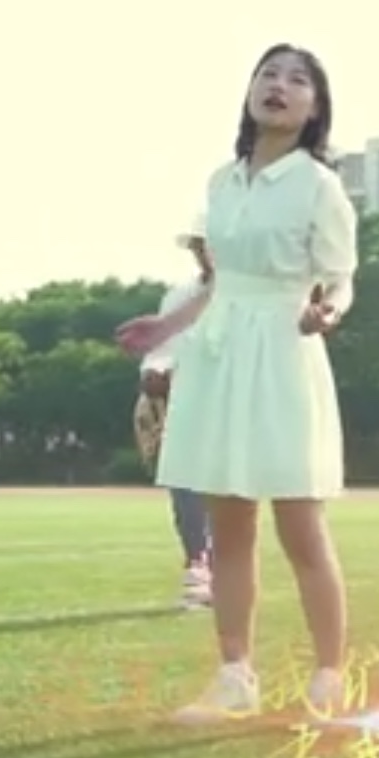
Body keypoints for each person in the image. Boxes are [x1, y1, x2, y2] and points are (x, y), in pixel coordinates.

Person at [115, 43, 359, 724]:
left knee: (300, 523)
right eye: (268, 75)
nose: (278, 86)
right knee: (229, 524)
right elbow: (218, 283)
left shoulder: (319, 186)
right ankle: (234, 676)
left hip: (283, 348)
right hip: (220, 355)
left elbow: (340, 279)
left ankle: (330, 676)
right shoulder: (222, 182)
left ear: (315, 107)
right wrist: (165, 328)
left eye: (297, 79)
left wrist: (327, 313)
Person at [135, 220, 217, 609]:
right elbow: (161, 347)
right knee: (184, 481)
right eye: (197, 247)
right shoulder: (180, 295)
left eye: (208, 245)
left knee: (227, 490)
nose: (203, 253)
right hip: (184, 398)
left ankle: (221, 568)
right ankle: (198, 562)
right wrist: (154, 371)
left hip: (228, 396)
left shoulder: (248, 295)